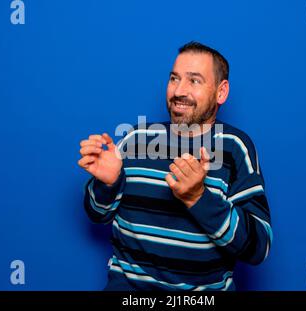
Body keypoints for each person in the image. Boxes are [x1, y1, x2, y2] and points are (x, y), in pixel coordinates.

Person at [77, 42, 272, 291]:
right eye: (174, 78)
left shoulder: (235, 147)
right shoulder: (135, 139)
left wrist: (198, 199)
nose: (179, 90)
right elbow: (97, 214)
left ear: (221, 92)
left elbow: (259, 247)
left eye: (194, 81)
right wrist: (108, 184)